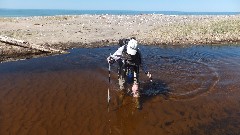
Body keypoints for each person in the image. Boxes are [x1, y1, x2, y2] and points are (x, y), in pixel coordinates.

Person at [107, 37, 152, 109]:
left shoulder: (138, 52)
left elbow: (142, 63)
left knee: (136, 88)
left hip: (134, 68)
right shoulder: (122, 49)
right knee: (123, 86)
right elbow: (114, 57)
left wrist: (147, 72)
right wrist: (110, 59)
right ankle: (122, 95)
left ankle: (137, 101)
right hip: (123, 67)